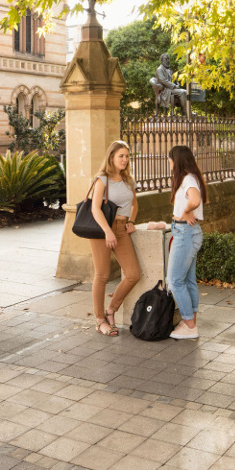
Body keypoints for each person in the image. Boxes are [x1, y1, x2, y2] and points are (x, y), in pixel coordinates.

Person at [86, 140, 141, 336]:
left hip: (121, 229)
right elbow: (94, 208)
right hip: (103, 230)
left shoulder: (128, 180)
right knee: (102, 275)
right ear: (111, 157)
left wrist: (131, 220)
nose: (125, 159)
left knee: (133, 274)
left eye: (127, 156)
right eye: (121, 156)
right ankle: (100, 320)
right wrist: (108, 232)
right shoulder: (102, 179)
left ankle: (111, 310)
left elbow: (134, 204)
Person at [167, 145, 207, 340]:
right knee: (188, 280)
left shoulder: (187, 179)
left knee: (174, 280)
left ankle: (190, 325)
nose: (169, 163)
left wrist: (186, 212)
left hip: (185, 233)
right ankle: (191, 321)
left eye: (170, 159)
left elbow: (195, 199)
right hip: (188, 232)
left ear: (176, 160)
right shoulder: (191, 177)